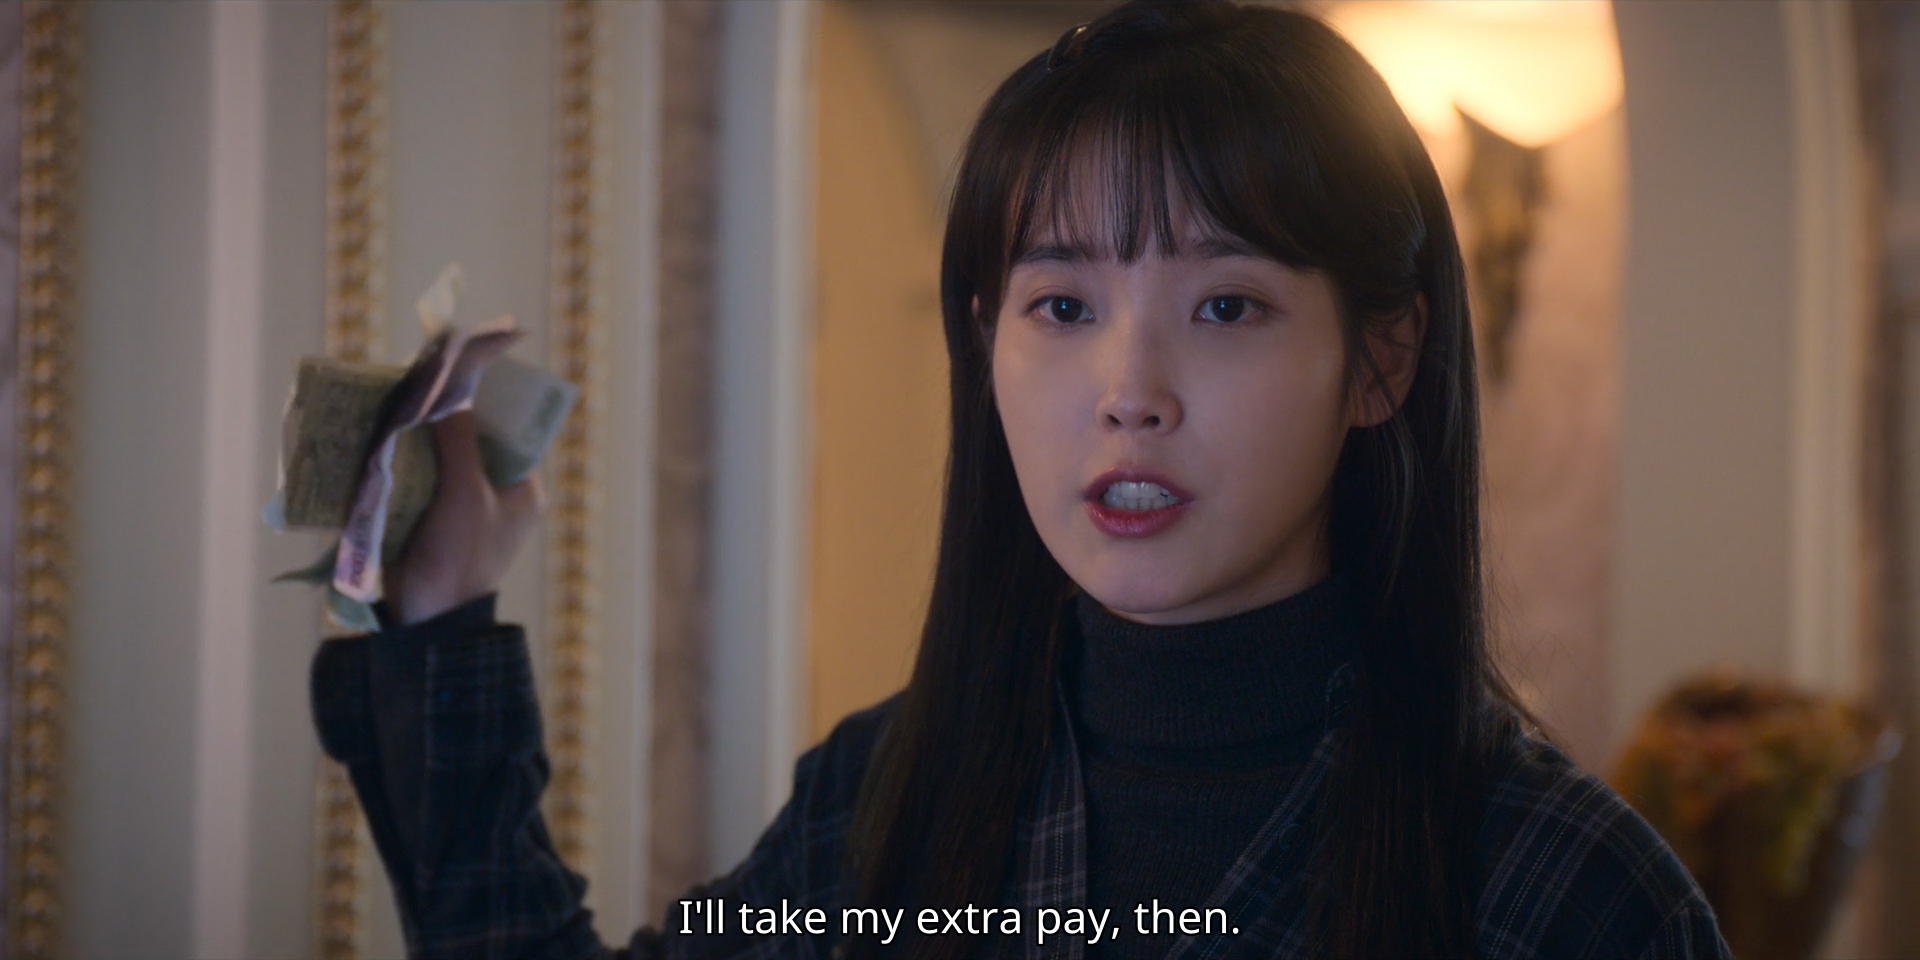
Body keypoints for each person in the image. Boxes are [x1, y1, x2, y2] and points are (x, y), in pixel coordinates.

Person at [309, 2, 1731, 957]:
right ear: (986, 343)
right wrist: (441, 621)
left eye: (1225, 305)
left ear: (1383, 359)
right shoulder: (889, 798)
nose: (1129, 390)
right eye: (1060, 306)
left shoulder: (1561, 891)